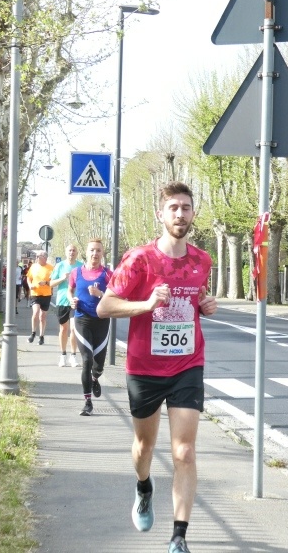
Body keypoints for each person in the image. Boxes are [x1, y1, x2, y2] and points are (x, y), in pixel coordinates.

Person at [97, 181, 217, 553]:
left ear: (193, 213)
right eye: (173, 208)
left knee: (185, 452)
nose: (180, 214)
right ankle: (144, 487)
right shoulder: (139, 259)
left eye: (186, 207)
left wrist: (205, 306)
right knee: (144, 447)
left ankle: (179, 537)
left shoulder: (202, 261)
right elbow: (105, 306)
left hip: (187, 364)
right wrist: (146, 305)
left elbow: (194, 300)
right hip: (144, 367)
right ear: (160, 214)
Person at [68, 239, 111, 416]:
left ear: (102, 253)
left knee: (98, 365)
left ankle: (95, 378)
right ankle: (87, 402)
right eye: (92, 250)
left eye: (98, 250)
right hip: (82, 319)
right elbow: (70, 290)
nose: (95, 254)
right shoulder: (76, 272)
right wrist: (72, 300)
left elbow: (115, 296)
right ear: (86, 252)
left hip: (102, 320)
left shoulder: (108, 274)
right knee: (87, 359)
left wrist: (100, 294)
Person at [50, 243, 83, 368]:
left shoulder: (81, 266)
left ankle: (73, 356)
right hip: (62, 301)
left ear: (77, 253)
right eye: (69, 250)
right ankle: (63, 355)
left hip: (76, 301)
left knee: (74, 329)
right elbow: (51, 284)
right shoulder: (60, 265)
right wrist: (62, 278)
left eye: (74, 250)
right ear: (66, 252)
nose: (71, 253)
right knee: (64, 329)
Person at [26, 250, 54, 345]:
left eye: (38, 256)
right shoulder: (33, 266)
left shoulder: (50, 268)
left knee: (42, 316)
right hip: (35, 293)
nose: (36, 258)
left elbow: (54, 281)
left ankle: (41, 336)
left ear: (44, 257)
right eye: (36, 256)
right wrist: (30, 285)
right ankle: (33, 333)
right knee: (36, 312)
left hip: (46, 294)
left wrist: (46, 282)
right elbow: (28, 278)